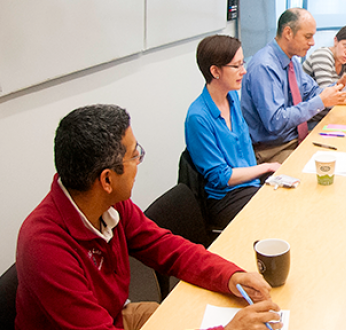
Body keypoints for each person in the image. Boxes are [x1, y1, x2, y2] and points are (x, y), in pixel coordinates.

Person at [15, 105, 281, 330]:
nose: (140, 161)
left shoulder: (110, 204)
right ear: (107, 179)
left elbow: (168, 248)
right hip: (98, 323)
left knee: (182, 315)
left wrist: (230, 276)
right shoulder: (45, 248)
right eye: (134, 155)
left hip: (115, 315)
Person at [186, 35, 281, 237]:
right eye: (236, 66)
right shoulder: (198, 117)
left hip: (251, 182)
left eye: (242, 63)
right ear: (215, 71)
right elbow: (220, 177)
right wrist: (265, 167)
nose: (243, 71)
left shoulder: (232, 97)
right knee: (279, 215)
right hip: (226, 197)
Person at [242, 8, 346, 165]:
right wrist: (321, 101)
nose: (312, 42)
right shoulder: (264, 67)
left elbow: (311, 91)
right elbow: (276, 122)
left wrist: (336, 87)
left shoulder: (291, 61)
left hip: (293, 139)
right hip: (273, 149)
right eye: (308, 36)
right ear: (288, 33)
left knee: (342, 152)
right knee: (323, 169)